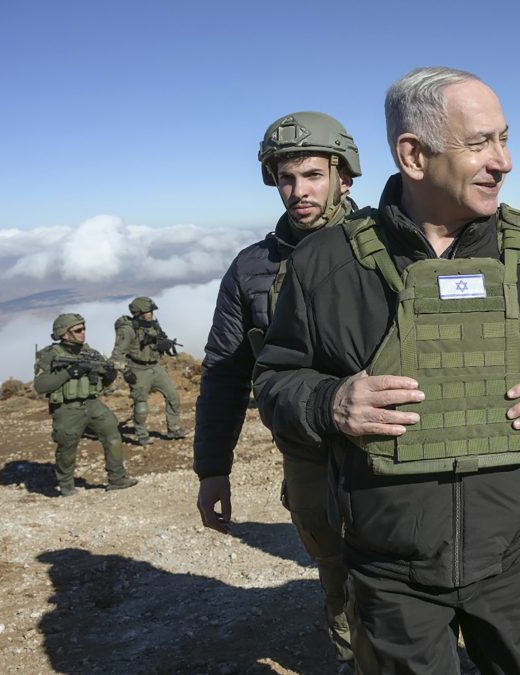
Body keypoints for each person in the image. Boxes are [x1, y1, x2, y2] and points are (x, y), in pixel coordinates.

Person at [252, 67, 520, 674]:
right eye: (480, 143)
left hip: (512, 555)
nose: (504, 161)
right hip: (388, 567)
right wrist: (330, 403)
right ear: (413, 154)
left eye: (505, 138)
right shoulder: (326, 264)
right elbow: (276, 378)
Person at [193, 111, 361, 670]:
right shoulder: (252, 269)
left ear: (343, 176)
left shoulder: (389, 248)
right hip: (308, 453)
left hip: (393, 444)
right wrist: (212, 468)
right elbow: (224, 371)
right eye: (287, 178)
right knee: (334, 569)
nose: (298, 191)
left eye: (313, 175)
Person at [34, 313, 138, 496]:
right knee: (67, 446)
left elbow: (104, 382)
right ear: (64, 334)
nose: (83, 333)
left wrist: (110, 373)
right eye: (78, 330)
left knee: (112, 434)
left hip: (92, 403)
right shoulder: (50, 355)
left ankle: (117, 478)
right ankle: (66, 485)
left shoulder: (90, 353)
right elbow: (41, 386)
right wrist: (68, 373)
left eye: (83, 329)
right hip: (67, 408)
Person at [111, 296, 187, 445]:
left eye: (152, 310)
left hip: (155, 367)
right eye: (148, 311)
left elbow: (160, 339)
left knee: (173, 396)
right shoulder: (128, 330)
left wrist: (163, 344)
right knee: (141, 406)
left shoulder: (152, 325)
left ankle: (174, 428)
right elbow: (116, 356)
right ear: (139, 313)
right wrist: (126, 371)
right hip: (138, 369)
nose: (151, 313)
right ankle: (141, 434)